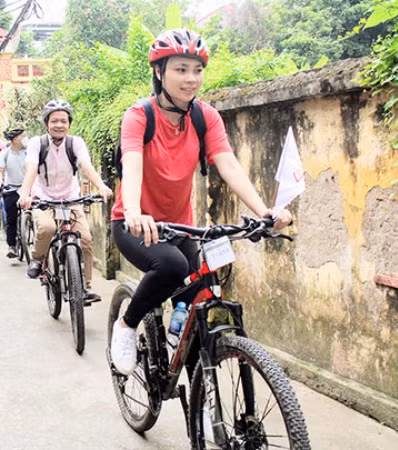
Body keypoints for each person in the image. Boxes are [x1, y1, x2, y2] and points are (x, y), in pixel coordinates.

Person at [107, 29, 294, 376]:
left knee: (198, 300)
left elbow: (229, 165)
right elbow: (131, 165)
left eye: (197, 70)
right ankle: (127, 325)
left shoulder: (204, 117)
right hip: (135, 225)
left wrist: (263, 211)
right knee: (173, 268)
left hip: (181, 226)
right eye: (180, 69)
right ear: (160, 72)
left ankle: (201, 401)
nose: (191, 79)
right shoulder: (139, 115)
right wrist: (134, 212)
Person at [18, 100, 113, 302]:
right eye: (54, 121)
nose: (59, 125)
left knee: (85, 239)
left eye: (63, 121)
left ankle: (84, 288)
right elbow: (31, 169)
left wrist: (101, 186)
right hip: (43, 198)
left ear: (69, 123)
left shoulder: (75, 142)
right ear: (46, 124)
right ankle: (37, 260)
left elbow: (86, 166)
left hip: (71, 198)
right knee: (46, 228)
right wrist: (25, 194)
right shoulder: (38, 143)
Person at [0, 124, 29, 258]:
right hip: (11, 188)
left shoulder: (29, 151)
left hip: (28, 188)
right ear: (15, 139)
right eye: (23, 136)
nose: (26, 139)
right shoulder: (5, 153)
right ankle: (12, 246)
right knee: (11, 219)